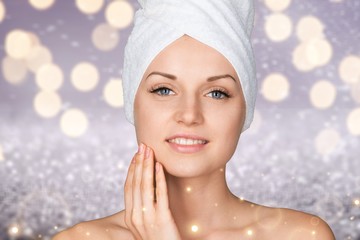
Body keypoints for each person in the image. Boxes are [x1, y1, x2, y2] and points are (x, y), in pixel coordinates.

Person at [53, 0, 336, 239]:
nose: (189, 115)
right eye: (164, 89)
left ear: (245, 109)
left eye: (216, 93)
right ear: (132, 102)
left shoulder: (300, 235)